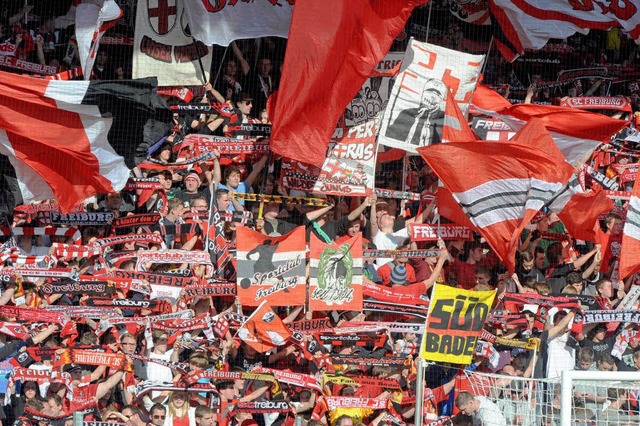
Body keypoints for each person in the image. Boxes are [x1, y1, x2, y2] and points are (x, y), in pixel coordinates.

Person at [384, 78, 447, 147]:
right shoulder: (407, 113)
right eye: (429, 91)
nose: (432, 96)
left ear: (442, 99)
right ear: (423, 93)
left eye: (437, 94)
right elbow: (390, 135)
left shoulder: (445, 119)